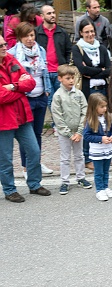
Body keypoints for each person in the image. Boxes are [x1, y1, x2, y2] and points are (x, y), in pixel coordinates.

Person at [0, 36, 51, 203]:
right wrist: (19, 89)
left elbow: (30, 83)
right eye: (1, 45)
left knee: (34, 150)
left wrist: (14, 87)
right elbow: (1, 96)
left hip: (21, 116)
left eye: (5, 44)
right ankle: (9, 190)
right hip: (3, 121)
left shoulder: (10, 59)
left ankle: (34, 184)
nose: (4, 47)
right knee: (5, 158)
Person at [8, 22, 53, 178]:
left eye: (32, 35)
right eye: (26, 36)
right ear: (20, 37)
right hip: (25, 98)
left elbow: (44, 72)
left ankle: (37, 163)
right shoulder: (13, 53)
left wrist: (47, 91)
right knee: (26, 135)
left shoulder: (40, 50)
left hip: (40, 96)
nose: (30, 39)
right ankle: (27, 167)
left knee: (38, 133)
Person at [73, 19, 112, 170]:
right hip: (88, 92)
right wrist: (100, 71)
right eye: (86, 32)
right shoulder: (77, 49)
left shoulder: (101, 48)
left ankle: (102, 152)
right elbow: (83, 71)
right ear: (81, 33)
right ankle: (87, 157)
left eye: (92, 31)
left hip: (102, 90)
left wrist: (95, 71)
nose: (90, 34)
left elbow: (109, 69)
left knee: (103, 121)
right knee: (89, 123)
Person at [51, 64, 93, 195]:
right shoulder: (57, 96)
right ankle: (65, 181)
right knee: (65, 158)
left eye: (72, 78)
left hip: (78, 132)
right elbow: (57, 117)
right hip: (65, 134)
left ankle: (81, 178)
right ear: (60, 79)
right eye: (68, 78)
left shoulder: (79, 94)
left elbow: (84, 112)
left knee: (79, 155)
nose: (71, 81)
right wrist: (69, 133)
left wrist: (80, 131)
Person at [35, 5, 73, 116]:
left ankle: (65, 122)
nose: (52, 15)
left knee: (64, 99)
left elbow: (68, 50)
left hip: (60, 71)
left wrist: (65, 65)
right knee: (51, 101)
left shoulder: (62, 31)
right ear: (42, 16)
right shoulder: (37, 32)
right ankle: (57, 124)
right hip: (45, 72)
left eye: (53, 13)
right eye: (49, 13)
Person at [83, 93, 112, 201]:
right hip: (97, 150)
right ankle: (99, 190)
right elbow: (87, 136)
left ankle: (106, 187)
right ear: (94, 107)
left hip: (107, 149)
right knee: (99, 171)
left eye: (105, 106)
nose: (105, 109)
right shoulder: (90, 120)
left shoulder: (108, 117)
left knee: (106, 170)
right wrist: (100, 139)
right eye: (102, 107)